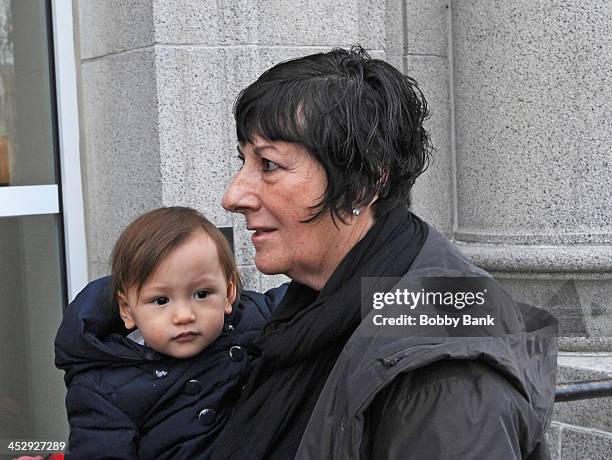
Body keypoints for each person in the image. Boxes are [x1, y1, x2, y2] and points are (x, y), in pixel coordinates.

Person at [209, 46, 558, 459]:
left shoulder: (443, 380)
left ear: (363, 183)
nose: (232, 196)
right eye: (244, 161)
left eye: (268, 164)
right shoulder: (321, 304)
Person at [54, 207, 286, 459]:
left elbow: (309, 297)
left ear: (229, 293)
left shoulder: (251, 319)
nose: (184, 315)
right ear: (127, 311)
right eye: (161, 300)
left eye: (202, 294)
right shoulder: (105, 387)